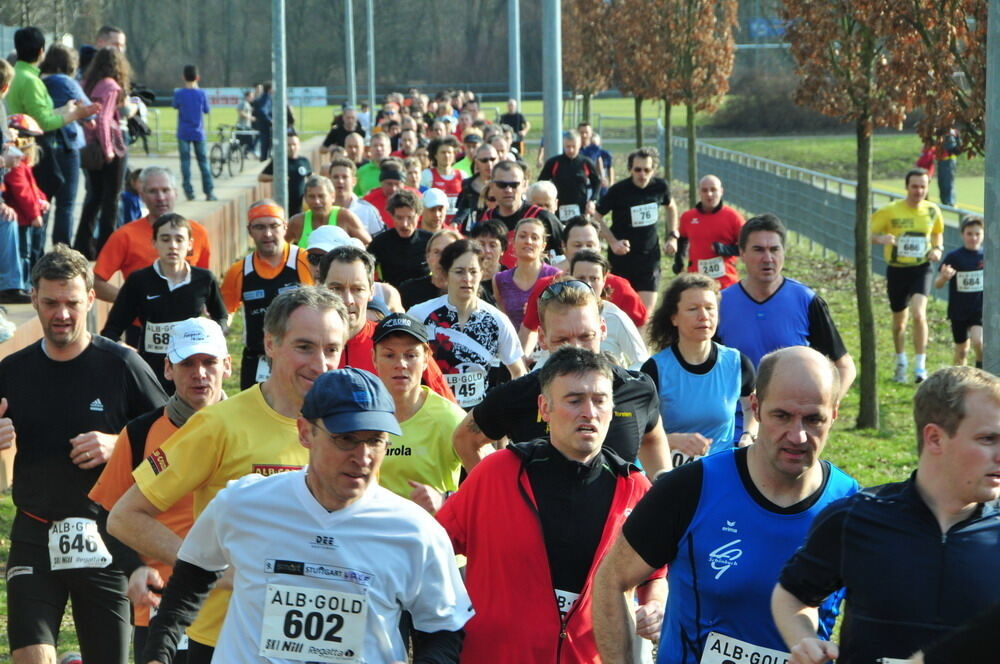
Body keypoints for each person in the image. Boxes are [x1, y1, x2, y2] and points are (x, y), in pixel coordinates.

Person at [137, 367, 472, 664]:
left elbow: (443, 629)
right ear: (305, 432)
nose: (363, 457)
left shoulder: (415, 531)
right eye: (346, 440)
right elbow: (189, 581)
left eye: (375, 441)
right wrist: (157, 656)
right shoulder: (243, 504)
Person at [108, 287, 348, 664]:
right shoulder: (218, 424)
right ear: (270, 343)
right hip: (228, 638)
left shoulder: (352, 428)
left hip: (326, 640)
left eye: (331, 349)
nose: (320, 364)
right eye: (304, 347)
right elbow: (124, 517)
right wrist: (208, 569)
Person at [593, 346, 858, 664]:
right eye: (782, 416)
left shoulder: (850, 507)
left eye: (814, 419)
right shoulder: (692, 487)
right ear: (757, 407)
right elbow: (612, 579)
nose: (798, 436)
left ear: (835, 414)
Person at [438, 346, 665, 662]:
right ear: (545, 408)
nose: (589, 412)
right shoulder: (497, 473)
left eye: (600, 400)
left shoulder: (634, 488)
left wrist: (655, 606)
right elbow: (433, 550)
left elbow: (655, 575)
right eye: (574, 401)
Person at [0, 245, 167, 664]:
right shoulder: (12, 371)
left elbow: (174, 442)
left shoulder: (123, 365)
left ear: (90, 300)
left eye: (72, 303)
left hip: (107, 535)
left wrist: (118, 445)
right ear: (34, 299)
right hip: (35, 533)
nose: (62, 314)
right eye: (51, 303)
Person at [772, 366, 1000, 664]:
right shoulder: (856, 517)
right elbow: (792, 593)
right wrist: (804, 639)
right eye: (987, 439)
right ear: (934, 438)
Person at [89, 317, 231, 664]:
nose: (200, 373)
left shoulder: (248, 429)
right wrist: (132, 568)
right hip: (160, 601)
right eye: (188, 363)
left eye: (209, 362)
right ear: (168, 368)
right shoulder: (139, 434)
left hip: (234, 605)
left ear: (227, 366)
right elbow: (108, 512)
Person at [453, 278, 668, 478]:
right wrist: (501, 496)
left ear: (603, 330)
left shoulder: (636, 389)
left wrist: (657, 495)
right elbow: (465, 439)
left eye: (586, 337)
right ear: (543, 339)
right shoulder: (519, 394)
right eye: (562, 340)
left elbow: (652, 439)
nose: (576, 349)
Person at [717, 214, 855, 406]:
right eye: (758, 250)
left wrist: (826, 408)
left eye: (774, 249)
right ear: (742, 252)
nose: (768, 258)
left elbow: (844, 365)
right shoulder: (720, 304)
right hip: (735, 425)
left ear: (783, 252)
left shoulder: (807, 301)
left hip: (792, 425)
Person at [100, 214, 227, 391]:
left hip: (191, 374)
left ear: (190, 244)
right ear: (154, 242)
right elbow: (111, 330)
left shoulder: (204, 279)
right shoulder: (139, 280)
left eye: (179, 239)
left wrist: (211, 340)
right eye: (165, 239)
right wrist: (128, 353)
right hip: (151, 375)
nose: (173, 246)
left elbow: (221, 316)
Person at [642, 273, 756, 468]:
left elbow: (751, 407)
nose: (703, 316)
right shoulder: (655, 369)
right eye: (693, 309)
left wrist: (748, 434)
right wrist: (671, 440)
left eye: (710, 308)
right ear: (674, 318)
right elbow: (638, 433)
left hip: (722, 469)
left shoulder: (737, 363)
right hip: (669, 474)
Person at [409, 239, 526, 409]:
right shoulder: (419, 315)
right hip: (433, 414)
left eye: (473, 271)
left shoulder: (497, 320)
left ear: (482, 273)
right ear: (445, 274)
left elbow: (519, 372)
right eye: (459, 271)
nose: (467, 279)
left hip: (479, 419)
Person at [371, 313, 466, 511]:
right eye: (389, 355)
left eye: (410, 355)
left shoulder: (450, 418)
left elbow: (493, 483)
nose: (401, 364)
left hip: (431, 536)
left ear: (426, 359)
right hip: (372, 537)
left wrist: (445, 499)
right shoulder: (361, 414)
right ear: (374, 359)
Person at [220, 199, 314, 389]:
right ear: (250, 231)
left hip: (300, 355)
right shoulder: (239, 271)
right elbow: (225, 313)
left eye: (274, 226)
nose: (268, 234)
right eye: (260, 227)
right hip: (257, 358)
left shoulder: (305, 261)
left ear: (285, 226)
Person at [520, 217, 648, 355]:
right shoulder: (548, 287)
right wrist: (522, 362)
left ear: (599, 247)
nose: (584, 250)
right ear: (564, 247)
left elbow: (642, 325)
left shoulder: (620, 287)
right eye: (577, 245)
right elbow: (528, 329)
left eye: (590, 244)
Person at [94, 167, 211, 304]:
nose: (160, 198)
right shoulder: (125, 236)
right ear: (142, 195)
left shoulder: (197, 232)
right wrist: (131, 301)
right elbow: (95, 282)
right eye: (152, 191)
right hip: (141, 324)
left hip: (187, 323)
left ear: (175, 193)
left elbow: (205, 281)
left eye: (165, 190)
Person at [871, 168, 944, 383]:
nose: (918, 191)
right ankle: (901, 361)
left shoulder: (932, 211)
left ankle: (920, 367)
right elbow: (868, 232)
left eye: (923, 186)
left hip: (921, 268)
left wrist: (937, 249)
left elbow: (937, 233)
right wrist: (881, 239)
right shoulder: (890, 211)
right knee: (899, 323)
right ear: (906, 187)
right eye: (914, 186)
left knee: (919, 313)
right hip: (897, 269)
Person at [595, 147, 679, 311]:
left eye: (647, 170)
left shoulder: (660, 187)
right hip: (621, 259)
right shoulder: (619, 190)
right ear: (630, 169)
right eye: (638, 169)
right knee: (618, 312)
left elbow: (671, 206)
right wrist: (613, 242)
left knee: (644, 314)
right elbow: (596, 217)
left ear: (653, 170)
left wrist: (673, 235)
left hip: (649, 258)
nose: (642, 174)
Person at [75, 47, 130, 259]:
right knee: (112, 199)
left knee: (94, 197)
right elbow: (104, 120)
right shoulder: (111, 86)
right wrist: (109, 149)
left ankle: (82, 244)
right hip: (108, 148)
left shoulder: (86, 84)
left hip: (89, 148)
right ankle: (107, 249)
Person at [39, 44, 91, 246]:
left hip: (44, 147)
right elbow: (90, 110)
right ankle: (62, 250)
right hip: (66, 147)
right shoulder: (66, 82)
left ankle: (38, 251)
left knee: (43, 202)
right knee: (66, 204)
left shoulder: (39, 82)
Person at [569, 253, 648, 371]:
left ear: (604, 280)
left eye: (594, 279)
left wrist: (622, 385)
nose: (587, 284)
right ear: (571, 278)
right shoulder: (559, 315)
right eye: (581, 278)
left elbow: (642, 361)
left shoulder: (615, 317)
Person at [478, 160, 563, 267]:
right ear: (492, 186)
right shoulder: (484, 219)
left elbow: (571, 253)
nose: (508, 190)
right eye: (502, 185)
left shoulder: (543, 217)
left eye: (514, 185)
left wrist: (553, 274)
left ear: (524, 185)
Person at [677, 174, 745, 288]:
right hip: (696, 282)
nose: (709, 194)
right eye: (704, 190)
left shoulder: (734, 217)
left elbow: (748, 246)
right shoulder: (688, 217)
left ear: (721, 191)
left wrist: (725, 249)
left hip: (725, 283)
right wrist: (678, 259)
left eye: (713, 190)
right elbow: (682, 238)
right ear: (699, 192)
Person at [493, 217, 561, 331]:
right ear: (513, 242)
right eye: (522, 236)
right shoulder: (500, 279)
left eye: (534, 238)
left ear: (543, 245)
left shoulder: (556, 276)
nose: (528, 241)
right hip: (514, 344)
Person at [935, 215, 984, 368]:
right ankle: (958, 381)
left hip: (979, 308)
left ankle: (981, 370)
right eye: (969, 234)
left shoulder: (988, 256)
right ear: (962, 234)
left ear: (983, 235)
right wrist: (944, 277)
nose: (973, 238)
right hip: (959, 309)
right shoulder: (954, 257)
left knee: (979, 342)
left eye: (977, 234)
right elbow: (937, 284)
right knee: (961, 350)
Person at [367, 189, 432, 288]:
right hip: (391, 297)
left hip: (425, 298)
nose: (404, 224)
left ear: (418, 216)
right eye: (399, 218)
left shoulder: (430, 241)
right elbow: (365, 271)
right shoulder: (380, 243)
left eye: (410, 217)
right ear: (392, 216)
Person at [285, 174, 370, 247]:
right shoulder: (297, 222)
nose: (317, 201)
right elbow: (281, 248)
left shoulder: (345, 217)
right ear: (305, 199)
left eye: (321, 196)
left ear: (332, 196)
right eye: (311, 196)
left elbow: (369, 245)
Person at [539, 130, 601, 223]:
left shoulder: (586, 162)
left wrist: (592, 200)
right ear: (563, 145)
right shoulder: (554, 162)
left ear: (579, 145)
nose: (571, 150)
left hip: (580, 208)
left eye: (574, 147)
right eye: (568, 146)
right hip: (558, 209)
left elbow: (597, 182)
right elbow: (541, 183)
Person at [173, 65, 215, 202]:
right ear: (198, 77)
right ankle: (209, 192)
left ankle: (188, 191)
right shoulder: (201, 94)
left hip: (183, 131)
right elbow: (207, 110)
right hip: (198, 131)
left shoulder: (179, 93)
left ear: (183, 77)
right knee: (203, 162)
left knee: (185, 162)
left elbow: (175, 106)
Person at [398, 228, 463, 309]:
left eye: (448, 252)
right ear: (428, 257)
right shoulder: (408, 291)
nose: (441, 259)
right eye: (436, 252)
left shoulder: (470, 291)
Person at [326, 156, 385, 237]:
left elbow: (379, 241)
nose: (340, 181)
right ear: (329, 180)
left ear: (354, 181)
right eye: (336, 177)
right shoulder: (322, 210)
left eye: (345, 177)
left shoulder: (368, 210)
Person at [258, 132, 312, 216]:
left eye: (294, 144)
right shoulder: (279, 161)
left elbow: (311, 176)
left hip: (300, 205)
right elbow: (261, 177)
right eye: (289, 145)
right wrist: (277, 177)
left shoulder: (304, 161)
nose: (292, 148)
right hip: (282, 204)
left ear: (299, 145)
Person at [420, 135, 463, 222]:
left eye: (449, 152)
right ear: (435, 155)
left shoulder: (462, 175)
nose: (447, 156)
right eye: (443, 152)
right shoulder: (427, 175)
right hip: (435, 223)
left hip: (456, 225)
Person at [934, 128, 960, 207]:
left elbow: (951, 147)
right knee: (941, 182)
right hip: (942, 160)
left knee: (947, 182)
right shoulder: (942, 131)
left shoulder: (950, 132)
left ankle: (950, 201)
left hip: (948, 161)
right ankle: (944, 201)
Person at [251, 81, 272, 160]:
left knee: (265, 143)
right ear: (270, 89)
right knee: (266, 144)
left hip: (263, 124)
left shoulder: (265, 97)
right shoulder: (266, 97)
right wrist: (270, 120)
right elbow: (263, 111)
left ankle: (264, 158)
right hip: (266, 125)